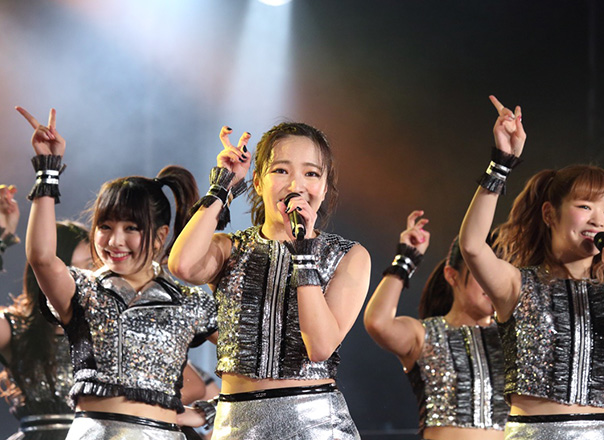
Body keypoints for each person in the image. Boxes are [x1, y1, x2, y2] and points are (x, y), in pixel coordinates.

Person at [458, 96, 604, 439]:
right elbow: (472, 246)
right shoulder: (517, 284)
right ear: (550, 214)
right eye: (585, 206)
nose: (599, 220)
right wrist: (502, 163)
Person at [17, 106, 218, 440]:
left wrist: (207, 411)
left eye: (131, 228)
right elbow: (42, 258)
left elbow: (252, 361)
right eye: (105, 227)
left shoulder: (190, 302)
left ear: (160, 236)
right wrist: (47, 169)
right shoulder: (83, 290)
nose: (115, 241)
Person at [169, 122, 371, 439]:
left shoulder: (348, 255)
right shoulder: (230, 248)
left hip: (315, 426)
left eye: (311, 173)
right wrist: (223, 186)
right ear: (258, 182)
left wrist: (304, 252)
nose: (296, 184)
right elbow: (182, 265)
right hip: (238, 425)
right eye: (280, 170)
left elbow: (320, 347)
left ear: (325, 188)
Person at [364, 211, 506, 440]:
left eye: (499, 272)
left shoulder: (512, 338)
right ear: (452, 275)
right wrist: (405, 260)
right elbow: (378, 323)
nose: (492, 281)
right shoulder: (423, 334)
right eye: (481, 271)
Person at [0, 190, 90, 440]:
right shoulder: (16, 327)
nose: (91, 277)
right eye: (83, 267)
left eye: (94, 266)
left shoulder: (110, 326)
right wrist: (1, 241)